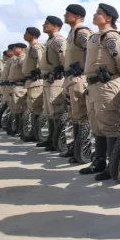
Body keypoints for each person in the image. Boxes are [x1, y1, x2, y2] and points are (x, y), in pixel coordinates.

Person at [80, 4, 120, 176]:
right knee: (96, 124)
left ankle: (112, 165)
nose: (95, 15)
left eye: (99, 14)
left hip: (107, 83)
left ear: (108, 18)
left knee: (109, 124)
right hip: (94, 84)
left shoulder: (111, 36)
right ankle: (99, 161)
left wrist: (117, 76)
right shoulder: (95, 36)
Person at [62, 4, 93, 162]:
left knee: (81, 116)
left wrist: (85, 68)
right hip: (70, 79)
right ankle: (75, 148)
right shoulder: (72, 32)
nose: (65, 16)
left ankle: (83, 151)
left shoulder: (82, 32)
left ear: (77, 16)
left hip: (79, 78)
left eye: (68, 14)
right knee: (74, 116)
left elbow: (93, 50)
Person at [37, 16, 67, 150]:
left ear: (55, 26)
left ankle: (60, 141)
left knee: (57, 111)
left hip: (56, 79)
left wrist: (62, 69)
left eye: (47, 24)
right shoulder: (50, 40)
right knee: (50, 111)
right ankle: (51, 138)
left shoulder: (58, 40)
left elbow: (64, 59)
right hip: (48, 80)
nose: (44, 25)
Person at [23, 27, 45, 142]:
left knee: (36, 108)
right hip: (30, 81)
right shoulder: (30, 47)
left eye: (26, 33)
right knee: (32, 108)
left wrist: (39, 70)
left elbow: (42, 62)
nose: (24, 35)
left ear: (33, 35)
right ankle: (34, 132)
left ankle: (37, 133)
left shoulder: (36, 47)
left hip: (36, 81)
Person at [8, 43, 29, 134]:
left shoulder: (23, 59)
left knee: (21, 109)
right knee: (15, 109)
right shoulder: (16, 59)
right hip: (14, 86)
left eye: (16, 48)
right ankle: (17, 128)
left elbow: (26, 73)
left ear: (23, 49)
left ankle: (22, 129)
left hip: (21, 86)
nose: (14, 49)